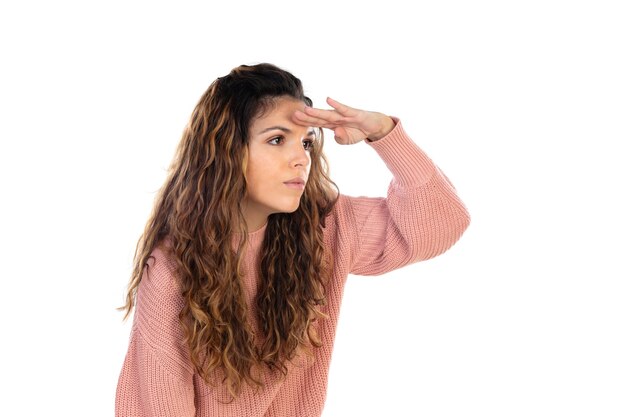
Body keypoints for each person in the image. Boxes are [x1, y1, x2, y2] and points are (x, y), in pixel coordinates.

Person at [115, 62, 470, 417]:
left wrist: (385, 133)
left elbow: (444, 223)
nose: (300, 158)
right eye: (276, 139)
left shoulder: (324, 228)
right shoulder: (173, 267)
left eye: (306, 142)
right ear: (228, 150)